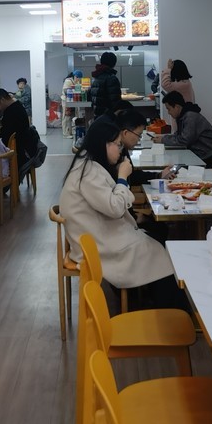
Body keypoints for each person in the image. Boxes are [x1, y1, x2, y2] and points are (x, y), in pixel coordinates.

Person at [58, 118, 186, 311]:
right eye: (118, 145)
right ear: (104, 144)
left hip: (98, 234)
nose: (120, 150)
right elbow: (115, 208)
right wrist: (122, 176)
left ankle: (157, 301)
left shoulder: (88, 163)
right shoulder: (89, 171)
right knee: (156, 250)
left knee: (155, 244)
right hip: (97, 245)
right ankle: (171, 310)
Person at [151, 91, 212, 168]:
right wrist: (163, 138)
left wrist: (163, 140)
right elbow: (179, 135)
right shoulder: (183, 115)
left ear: (177, 107)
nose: (169, 112)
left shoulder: (190, 116)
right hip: (201, 153)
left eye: (169, 109)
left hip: (209, 156)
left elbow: (184, 141)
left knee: (176, 167)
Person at [0, 87, 35, 162]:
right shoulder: (16, 106)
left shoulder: (11, 111)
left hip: (16, 150)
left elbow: (7, 132)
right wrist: (0, 121)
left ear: (2, 100)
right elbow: (11, 125)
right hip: (23, 145)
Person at [89, 51, 122, 119]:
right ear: (113, 64)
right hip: (108, 117)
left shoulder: (96, 77)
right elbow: (115, 100)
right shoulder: (111, 78)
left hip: (97, 115)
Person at [61, 72, 76, 138]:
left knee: (69, 117)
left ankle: (69, 132)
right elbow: (66, 91)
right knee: (66, 117)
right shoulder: (68, 81)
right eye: (77, 77)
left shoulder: (71, 81)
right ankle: (66, 134)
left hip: (69, 100)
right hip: (66, 101)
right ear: (74, 76)